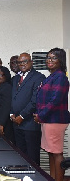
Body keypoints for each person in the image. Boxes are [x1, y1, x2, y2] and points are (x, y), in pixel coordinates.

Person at [34, 48, 70, 181]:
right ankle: (52, 178)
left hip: (55, 120)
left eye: (54, 58)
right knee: (51, 152)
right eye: (48, 57)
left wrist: (40, 115)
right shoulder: (52, 76)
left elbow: (55, 100)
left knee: (56, 153)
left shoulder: (60, 76)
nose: (50, 60)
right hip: (48, 119)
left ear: (60, 60)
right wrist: (40, 115)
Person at [10, 52, 45, 166]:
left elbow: (35, 101)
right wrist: (12, 113)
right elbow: (12, 98)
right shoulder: (15, 78)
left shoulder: (39, 77)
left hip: (30, 124)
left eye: (25, 61)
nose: (22, 64)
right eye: (19, 62)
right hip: (16, 123)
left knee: (32, 157)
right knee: (20, 156)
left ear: (31, 62)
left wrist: (22, 116)